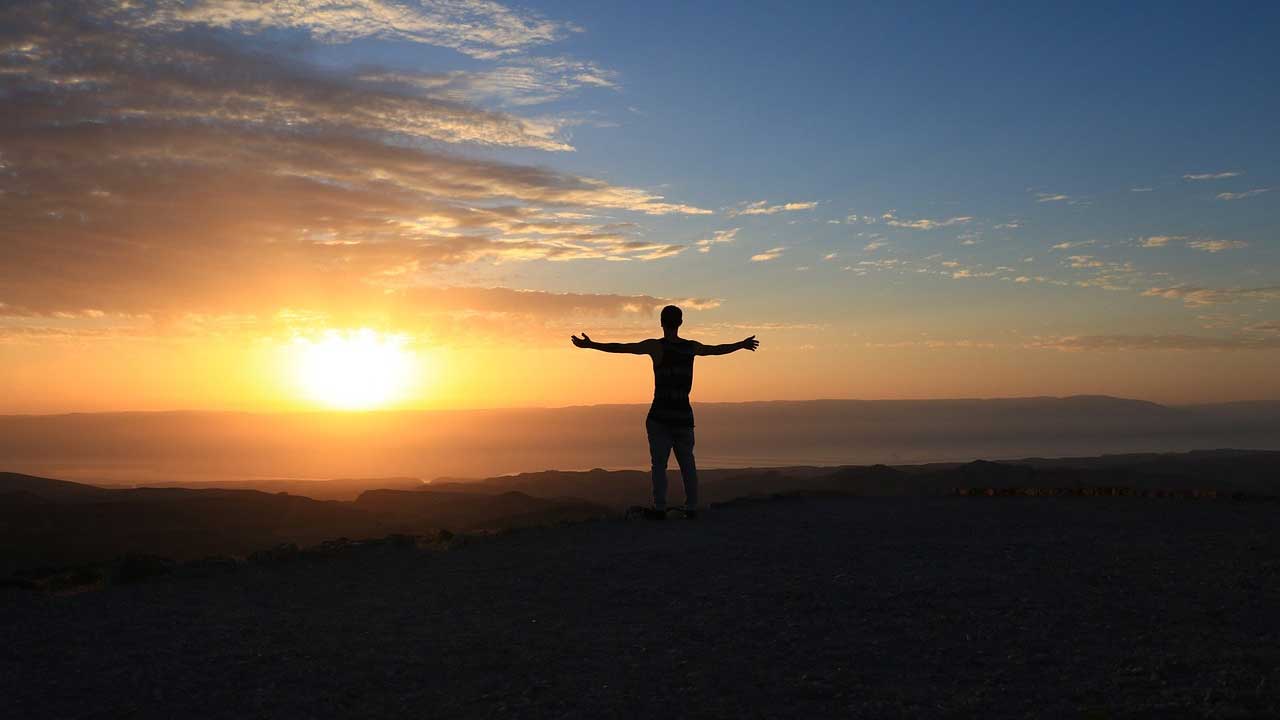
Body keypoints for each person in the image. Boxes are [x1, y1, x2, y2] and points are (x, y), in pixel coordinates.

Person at [571, 305, 760, 519]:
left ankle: (660, 508)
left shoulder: (655, 347)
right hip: (683, 417)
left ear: (661, 323)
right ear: (680, 323)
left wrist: (591, 345)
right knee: (687, 464)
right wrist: (741, 344)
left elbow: (623, 347)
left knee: (658, 465)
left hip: (659, 417)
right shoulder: (691, 347)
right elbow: (716, 349)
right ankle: (691, 508)